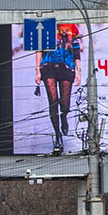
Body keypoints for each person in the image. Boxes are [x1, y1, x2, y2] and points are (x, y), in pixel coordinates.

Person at [35, 23, 84, 155]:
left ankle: (64, 117)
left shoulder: (72, 27)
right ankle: (58, 135)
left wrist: (79, 71)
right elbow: (39, 50)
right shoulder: (46, 25)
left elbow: (76, 50)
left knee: (65, 103)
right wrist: (37, 70)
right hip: (48, 64)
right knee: (53, 100)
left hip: (66, 64)